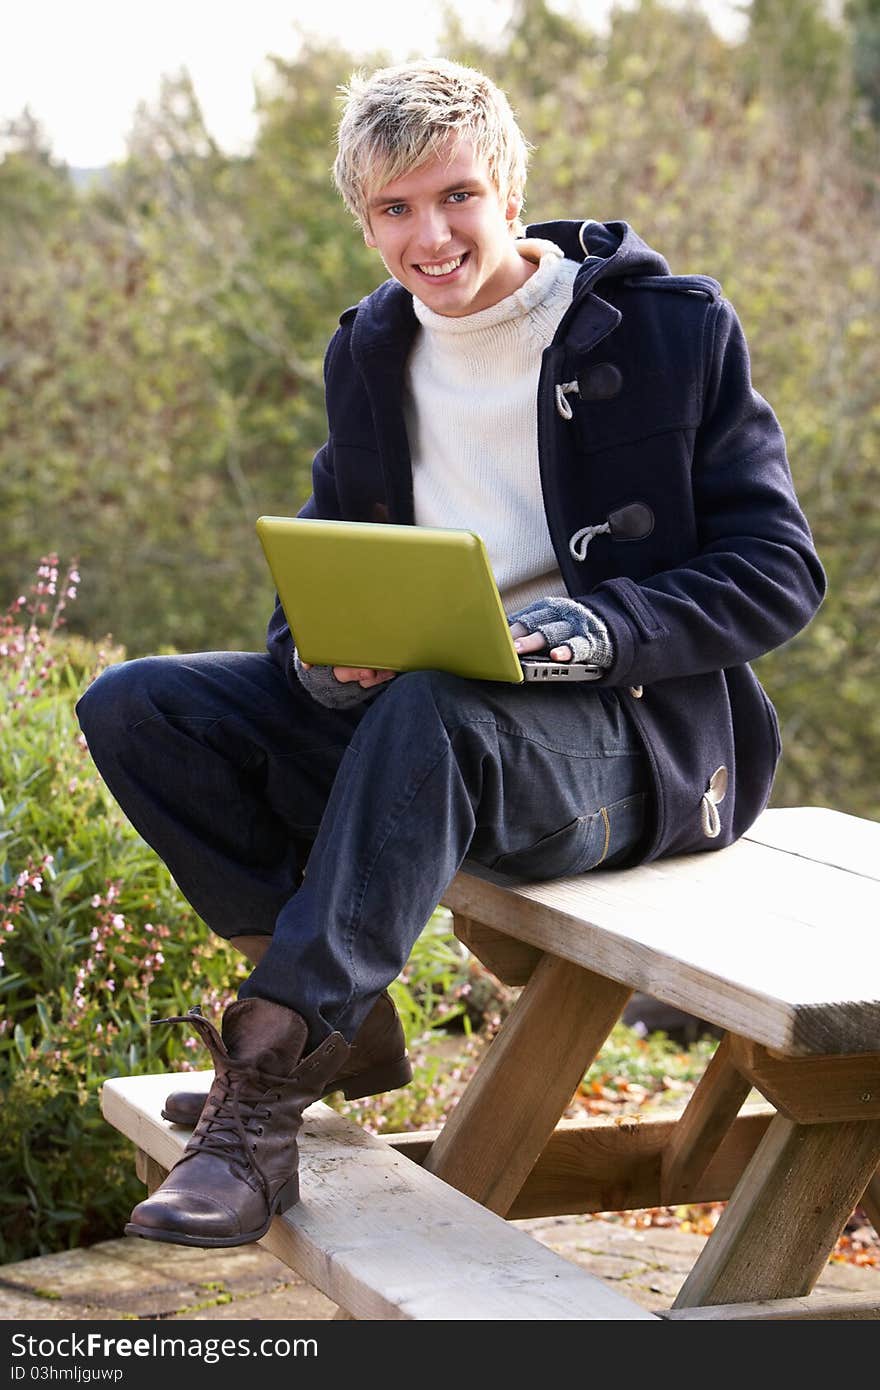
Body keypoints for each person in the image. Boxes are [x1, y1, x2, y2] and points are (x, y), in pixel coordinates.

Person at [76, 58, 825, 1249]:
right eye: (395, 209)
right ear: (364, 220)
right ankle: (346, 1025)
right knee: (138, 705)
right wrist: (322, 659)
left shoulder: (675, 329)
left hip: (636, 744)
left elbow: (779, 571)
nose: (431, 235)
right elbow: (331, 555)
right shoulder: (371, 350)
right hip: (435, 714)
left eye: (456, 196)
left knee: (435, 705)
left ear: (509, 188)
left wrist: (602, 628)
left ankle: (262, 1093)